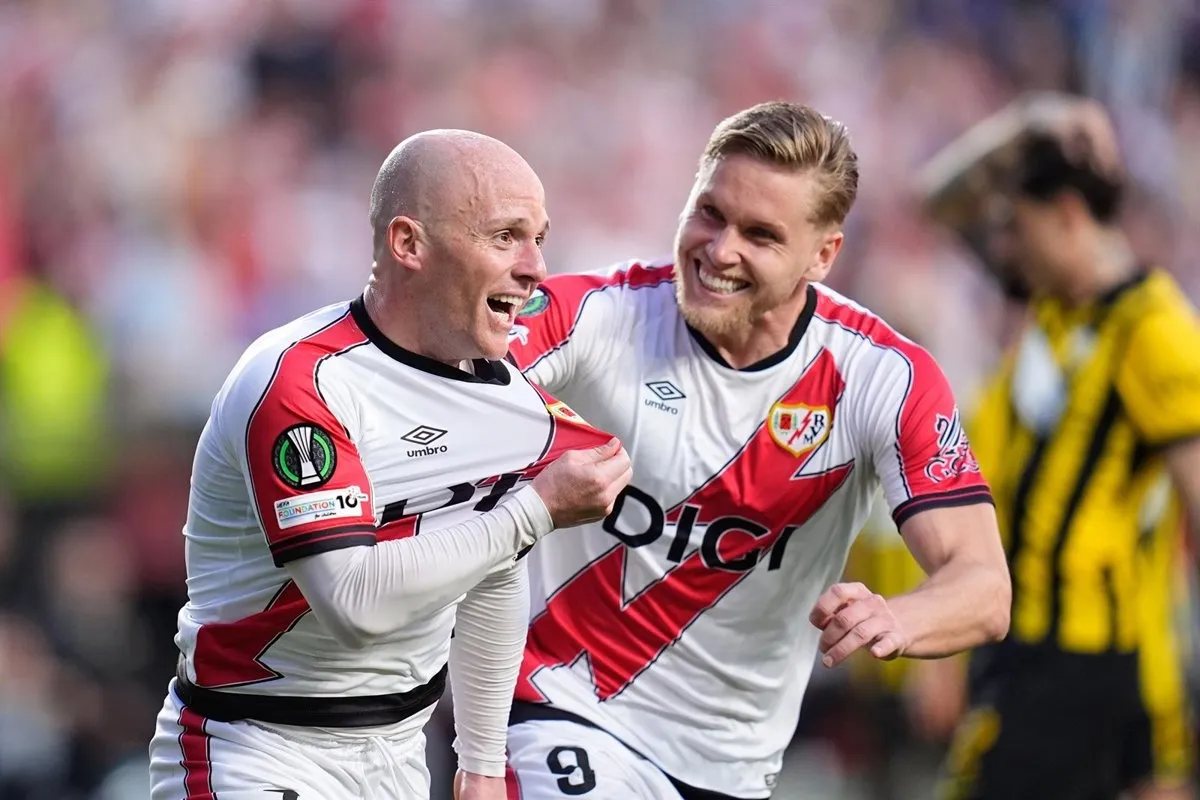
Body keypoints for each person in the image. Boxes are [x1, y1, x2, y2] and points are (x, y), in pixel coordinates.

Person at [501, 101, 1012, 800]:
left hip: (732, 766)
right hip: (560, 704)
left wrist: (898, 617)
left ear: (823, 255)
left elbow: (984, 587)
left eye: (760, 235)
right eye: (710, 213)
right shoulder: (600, 315)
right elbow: (444, 384)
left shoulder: (882, 378)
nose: (720, 250)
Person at [147, 129, 633, 800]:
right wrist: (536, 509)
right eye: (505, 237)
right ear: (408, 244)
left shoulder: (509, 399)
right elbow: (353, 604)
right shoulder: (303, 384)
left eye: (538, 239)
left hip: (401, 753)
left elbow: (494, 572)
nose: (535, 267)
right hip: (255, 746)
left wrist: (482, 762)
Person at [916, 92, 1200, 800]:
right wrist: (1029, 125)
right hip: (1028, 646)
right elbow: (939, 202)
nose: (1004, 246)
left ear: (1069, 215)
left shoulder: (1153, 328)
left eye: (1017, 226)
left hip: (1079, 660)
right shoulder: (1054, 305)